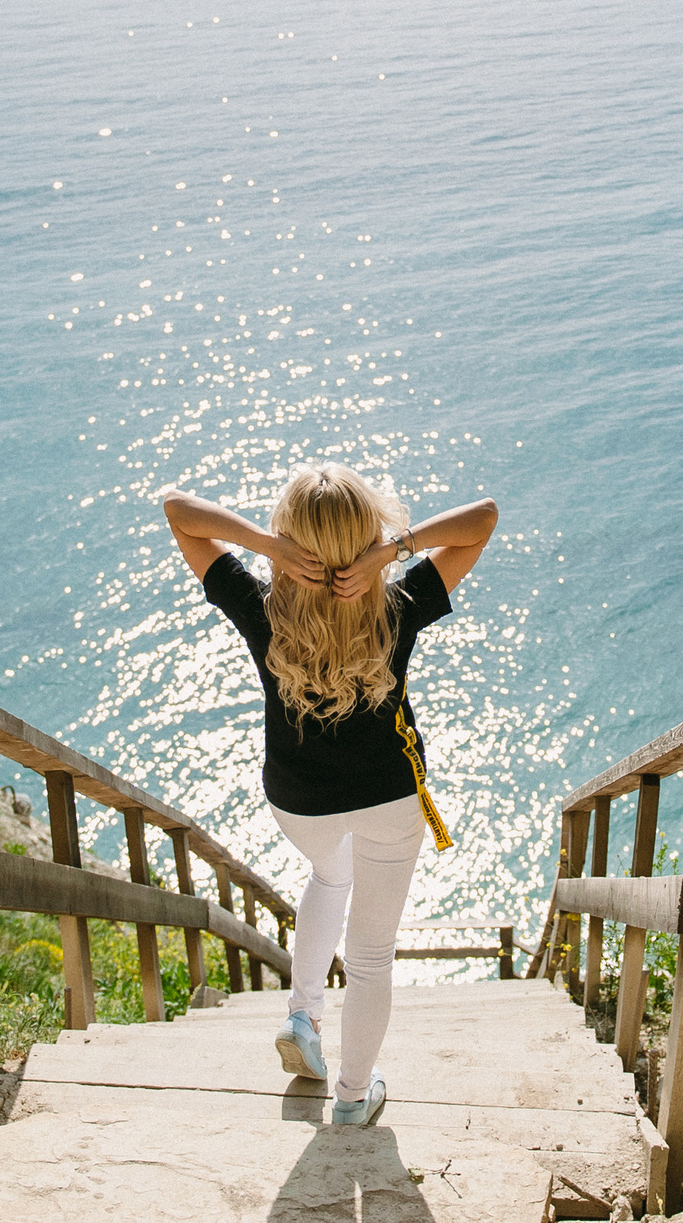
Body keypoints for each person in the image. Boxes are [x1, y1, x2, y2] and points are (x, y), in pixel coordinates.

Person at [159, 465, 498, 1127]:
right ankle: (349, 1098)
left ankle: (303, 1015)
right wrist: (391, 554)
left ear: (293, 540)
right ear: (366, 535)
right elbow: (482, 518)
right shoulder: (401, 604)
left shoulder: (258, 606)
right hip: (388, 801)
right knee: (372, 957)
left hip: (298, 801)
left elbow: (178, 509)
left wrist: (267, 547)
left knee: (326, 877)